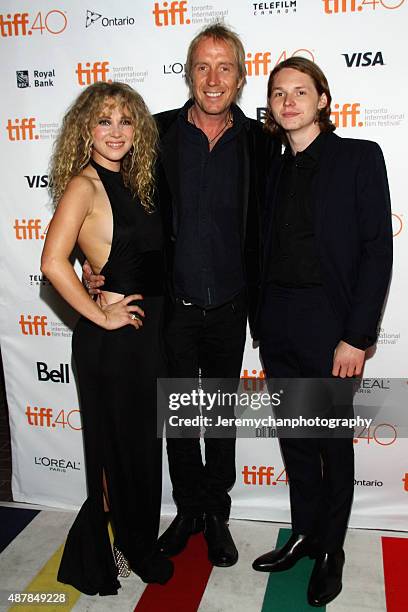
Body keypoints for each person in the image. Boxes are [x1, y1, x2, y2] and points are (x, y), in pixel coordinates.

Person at [85, 23, 278, 567]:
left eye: (225, 67)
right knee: (179, 414)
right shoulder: (156, 133)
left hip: (233, 304)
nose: (213, 79)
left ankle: (215, 512)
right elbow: (108, 200)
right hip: (168, 304)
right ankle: (189, 510)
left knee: (216, 414)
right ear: (188, 72)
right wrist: (93, 265)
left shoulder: (263, 144)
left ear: (241, 76)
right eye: (202, 66)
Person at [252, 57, 392, 607]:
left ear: (323, 100)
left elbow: (377, 250)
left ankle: (332, 548)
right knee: (296, 439)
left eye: (301, 91)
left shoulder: (359, 157)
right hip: (277, 322)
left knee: (332, 442)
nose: (289, 101)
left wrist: (357, 336)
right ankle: (305, 532)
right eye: (279, 93)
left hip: (331, 325)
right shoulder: (270, 166)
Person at [41, 81, 173, 595]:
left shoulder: (136, 182)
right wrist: (101, 315)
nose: (115, 131)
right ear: (85, 129)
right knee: (120, 451)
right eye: (103, 121)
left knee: (140, 449)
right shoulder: (85, 185)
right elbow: (53, 262)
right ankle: (133, 550)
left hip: (148, 338)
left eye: (124, 120)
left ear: (138, 128)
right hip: (114, 346)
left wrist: (96, 277)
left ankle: (138, 538)